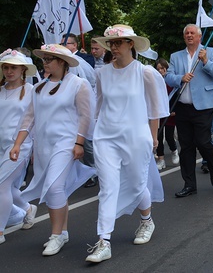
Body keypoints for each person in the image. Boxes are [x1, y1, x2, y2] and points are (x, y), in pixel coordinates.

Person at [84, 25, 169, 263]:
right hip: (106, 137)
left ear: (131, 44)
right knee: (108, 187)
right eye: (111, 43)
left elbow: (155, 110)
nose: (114, 47)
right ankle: (103, 241)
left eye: (118, 43)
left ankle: (146, 220)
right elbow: (99, 106)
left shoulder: (145, 73)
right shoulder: (102, 73)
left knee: (136, 182)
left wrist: (153, 138)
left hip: (135, 135)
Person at [10, 44, 95, 256]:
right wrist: (18, 144)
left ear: (62, 63)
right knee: (57, 189)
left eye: (50, 59)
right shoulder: (40, 87)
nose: (45, 62)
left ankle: (56, 235)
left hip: (65, 143)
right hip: (43, 146)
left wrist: (78, 143)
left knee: (54, 187)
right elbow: (29, 118)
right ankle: (63, 232)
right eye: (44, 59)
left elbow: (86, 116)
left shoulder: (78, 85)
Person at [165, 24, 213, 198]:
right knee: (186, 147)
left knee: (203, 142)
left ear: (199, 37)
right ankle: (189, 184)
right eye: (187, 33)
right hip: (183, 107)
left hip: (203, 106)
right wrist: (179, 78)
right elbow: (168, 76)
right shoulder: (176, 56)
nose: (189, 35)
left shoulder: (209, 52)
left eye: (192, 33)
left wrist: (206, 61)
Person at [0, 50, 37, 246]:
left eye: (13, 67)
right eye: (5, 67)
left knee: (2, 185)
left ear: (22, 69)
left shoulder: (31, 90)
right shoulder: (0, 89)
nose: (9, 71)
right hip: (0, 144)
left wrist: (35, 146)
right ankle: (27, 208)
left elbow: (35, 120)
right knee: (6, 186)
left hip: (20, 146)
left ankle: (0, 230)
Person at [154, 58, 178, 170]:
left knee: (169, 136)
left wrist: (175, 110)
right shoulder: (154, 81)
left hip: (170, 113)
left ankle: (174, 151)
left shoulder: (171, 81)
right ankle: (161, 159)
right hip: (159, 113)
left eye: (162, 68)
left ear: (166, 68)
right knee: (158, 136)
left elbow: (176, 96)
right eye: (157, 69)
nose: (160, 71)